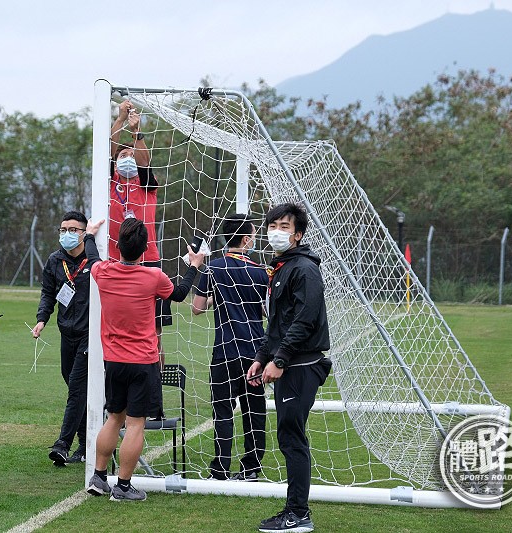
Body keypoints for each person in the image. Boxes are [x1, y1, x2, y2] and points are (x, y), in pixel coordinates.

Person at [86, 218, 205, 501]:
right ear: (145, 249)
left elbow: (92, 258)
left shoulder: (103, 271)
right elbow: (178, 293)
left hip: (113, 361)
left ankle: (99, 476)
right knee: (135, 423)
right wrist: (194, 265)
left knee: (114, 417)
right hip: (143, 361)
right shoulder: (153, 276)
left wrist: (90, 235)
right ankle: (123, 486)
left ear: (117, 246)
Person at [246, 203, 332, 533]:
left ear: (297, 234)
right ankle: (295, 511)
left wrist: (280, 361)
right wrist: (261, 357)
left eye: (285, 226)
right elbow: (277, 325)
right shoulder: (281, 267)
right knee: (288, 436)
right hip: (287, 362)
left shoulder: (304, 269)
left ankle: (298, 514)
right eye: (273, 225)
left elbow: (304, 320)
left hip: (301, 365)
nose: (277, 231)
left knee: (292, 438)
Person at [192, 214, 268, 482]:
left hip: (225, 351)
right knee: (254, 410)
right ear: (246, 239)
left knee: (222, 410)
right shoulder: (262, 272)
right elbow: (266, 311)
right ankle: (251, 469)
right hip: (256, 353)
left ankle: (221, 468)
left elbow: (197, 308)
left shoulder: (213, 268)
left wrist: (217, 298)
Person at [32, 211, 99, 466]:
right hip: (66, 334)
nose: (67, 234)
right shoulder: (54, 260)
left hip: (89, 336)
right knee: (75, 389)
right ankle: (86, 444)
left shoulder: (93, 260)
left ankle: (62, 444)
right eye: (63, 229)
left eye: (73, 229)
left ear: (84, 233)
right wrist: (41, 320)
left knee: (77, 389)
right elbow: (48, 293)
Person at [109, 100, 172, 367]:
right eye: (123, 157)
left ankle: (153, 386)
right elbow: (109, 149)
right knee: (117, 327)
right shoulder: (109, 184)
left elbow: (145, 160)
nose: (127, 159)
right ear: (113, 165)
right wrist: (120, 118)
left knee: (153, 331)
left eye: (131, 156)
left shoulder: (146, 184)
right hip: (115, 262)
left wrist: (136, 133)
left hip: (148, 262)